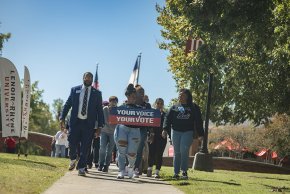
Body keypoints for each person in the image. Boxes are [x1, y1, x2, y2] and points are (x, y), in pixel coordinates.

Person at [60, 72, 104, 176]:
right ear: (83, 78)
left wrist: (100, 126)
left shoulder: (97, 93)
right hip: (75, 122)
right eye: (86, 77)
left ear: (92, 80)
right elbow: (67, 104)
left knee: (86, 147)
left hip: (88, 124)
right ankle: (73, 158)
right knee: (72, 142)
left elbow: (99, 110)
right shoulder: (74, 90)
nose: (88, 79)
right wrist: (62, 117)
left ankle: (81, 168)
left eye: (90, 78)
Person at [162, 89, 204, 180]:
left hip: (187, 132)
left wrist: (201, 134)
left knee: (184, 150)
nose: (180, 96)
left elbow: (198, 121)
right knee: (177, 152)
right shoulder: (174, 107)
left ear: (187, 96)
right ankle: (176, 173)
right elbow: (167, 118)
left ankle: (184, 171)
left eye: (182, 95)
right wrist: (165, 129)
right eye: (179, 95)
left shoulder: (193, 107)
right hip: (175, 131)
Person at [114, 84, 140, 179]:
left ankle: (131, 168)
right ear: (127, 96)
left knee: (132, 152)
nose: (133, 98)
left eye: (135, 97)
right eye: (132, 96)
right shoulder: (121, 107)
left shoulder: (140, 109)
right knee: (121, 151)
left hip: (135, 130)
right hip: (122, 129)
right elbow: (113, 118)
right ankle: (121, 170)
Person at [133, 84, 152, 178]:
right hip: (131, 129)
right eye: (139, 92)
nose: (141, 94)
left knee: (139, 150)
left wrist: (151, 132)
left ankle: (136, 169)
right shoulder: (130, 103)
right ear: (135, 93)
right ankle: (128, 167)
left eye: (143, 92)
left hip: (142, 130)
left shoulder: (147, 105)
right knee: (130, 149)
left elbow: (152, 118)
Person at [147, 98, 167, 178]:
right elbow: (148, 124)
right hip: (152, 136)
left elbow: (167, 125)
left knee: (159, 154)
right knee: (151, 153)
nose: (159, 105)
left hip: (162, 137)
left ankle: (157, 172)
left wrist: (165, 132)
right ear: (155, 104)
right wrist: (151, 132)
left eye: (161, 103)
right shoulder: (151, 113)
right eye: (158, 103)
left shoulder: (165, 115)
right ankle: (149, 169)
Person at [98, 96, 118, 172]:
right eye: (112, 102)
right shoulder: (104, 109)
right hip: (104, 131)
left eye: (115, 102)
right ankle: (101, 164)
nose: (114, 103)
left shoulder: (118, 111)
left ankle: (106, 165)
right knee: (102, 148)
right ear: (109, 102)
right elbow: (101, 119)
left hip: (113, 132)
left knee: (110, 150)